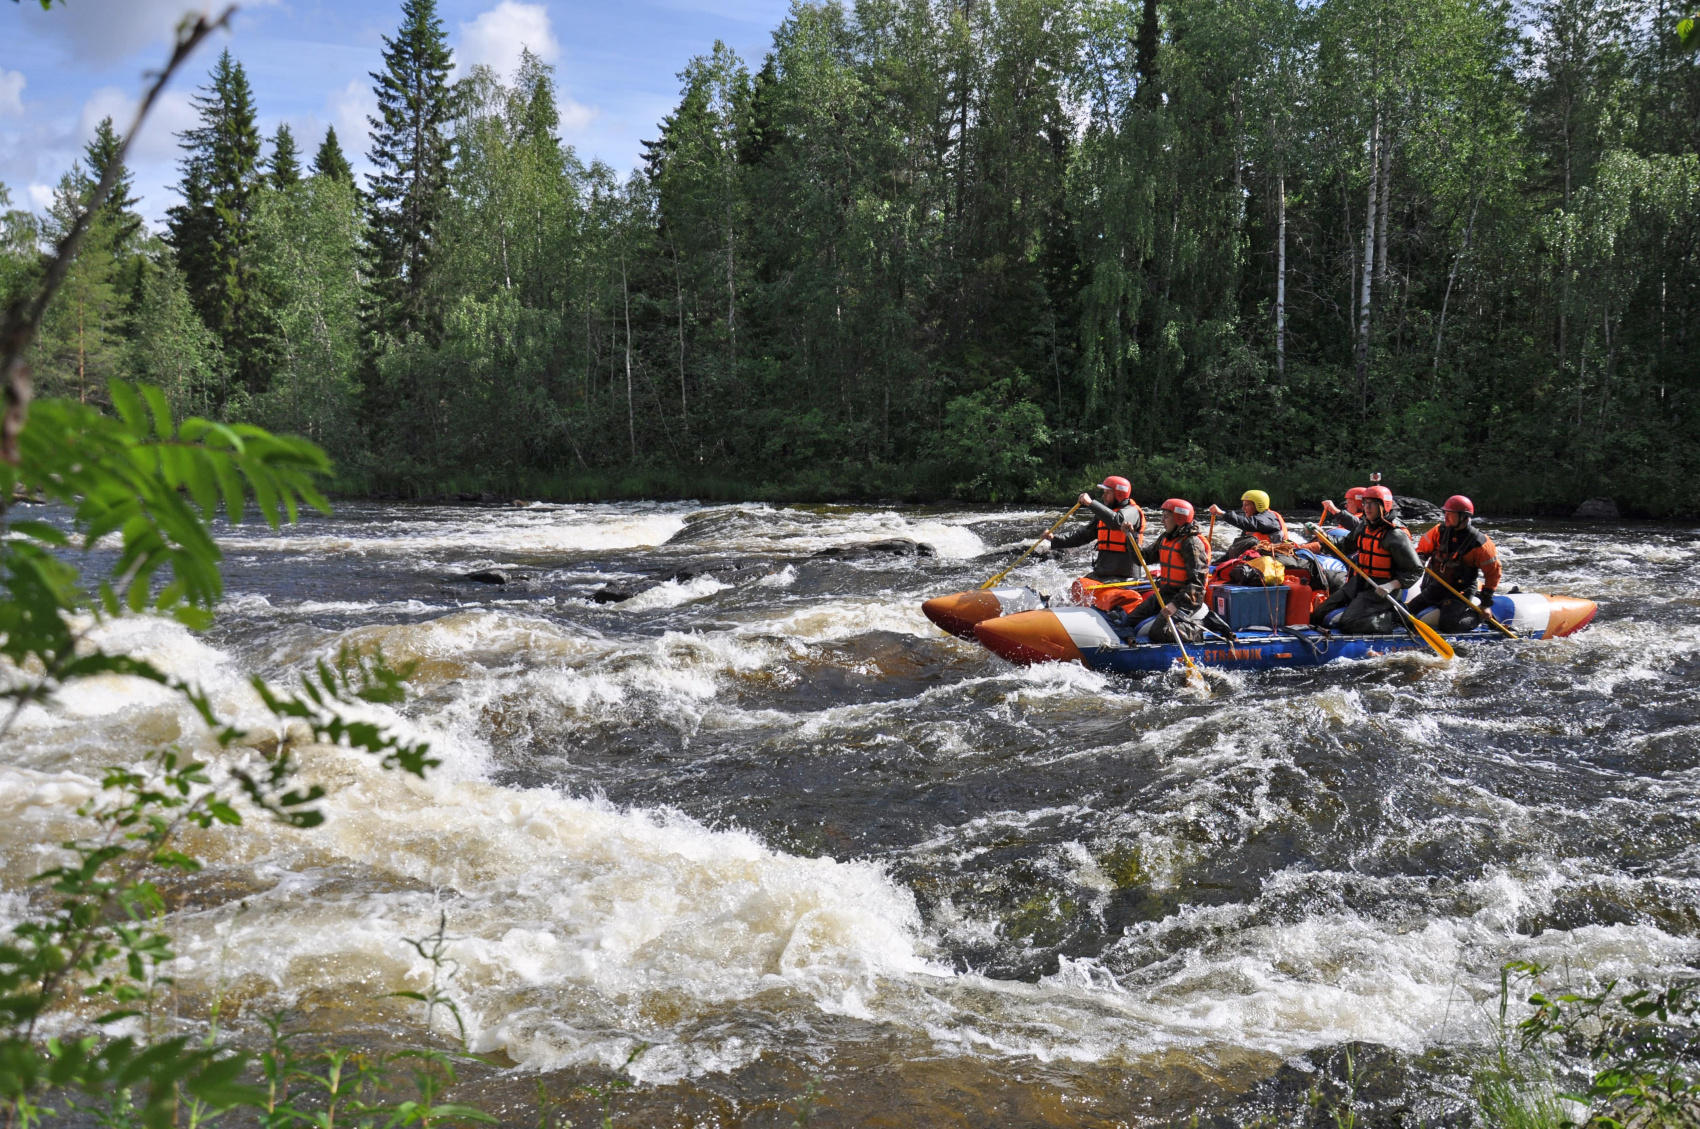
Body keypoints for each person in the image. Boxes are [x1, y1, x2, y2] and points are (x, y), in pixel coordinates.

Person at [1307, 485, 1422, 634]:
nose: (1367, 508)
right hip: (1361, 582)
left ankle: (1395, 617)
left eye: (1371, 504)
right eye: (1365, 503)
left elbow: (1416, 570)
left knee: (1349, 623)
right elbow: (1343, 547)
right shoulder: (1364, 526)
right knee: (1318, 614)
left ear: (1383, 506)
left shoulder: (1396, 535)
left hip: (1383, 589)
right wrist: (1323, 537)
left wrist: (1392, 585)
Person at [1118, 498, 1210, 643]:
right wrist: (1131, 537)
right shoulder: (1166, 538)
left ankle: (1204, 627)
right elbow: (1142, 558)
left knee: (1159, 633)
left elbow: (1197, 583)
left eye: (1166, 517)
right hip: (1165, 594)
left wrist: (1175, 605)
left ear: (1179, 519)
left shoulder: (1191, 544)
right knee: (1128, 622)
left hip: (1186, 600)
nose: (1162, 521)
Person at [1407, 495, 1501, 631]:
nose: (1445, 517)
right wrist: (1420, 559)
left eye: (1450, 514)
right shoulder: (1439, 531)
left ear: (1464, 516)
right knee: (1404, 612)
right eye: (1445, 513)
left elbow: (1493, 573)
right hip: (1437, 586)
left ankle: (1476, 617)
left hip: (1460, 592)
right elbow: (1422, 549)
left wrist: (1486, 604)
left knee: (1447, 625)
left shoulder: (1480, 543)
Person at [1041, 476, 1147, 581]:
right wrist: (1054, 538)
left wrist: (1091, 503)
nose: (1103, 496)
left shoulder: (1133, 512)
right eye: (1104, 492)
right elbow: (1082, 536)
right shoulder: (1103, 516)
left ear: (1119, 494)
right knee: (1077, 587)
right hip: (1102, 574)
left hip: (1125, 576)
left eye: (1107, 493)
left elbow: (1116, 521)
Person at [1209, 490, 1288, 560]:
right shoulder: (1250, 524)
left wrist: (1223, 514)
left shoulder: (1268, 518)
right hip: (1259, 559)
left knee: (1251, 541)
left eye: (1247, 505)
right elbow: (1236, 549)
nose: (1243, 508)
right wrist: (1215, 565)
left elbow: (1250, 523)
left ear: (1258, 506)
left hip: (1275, 558)